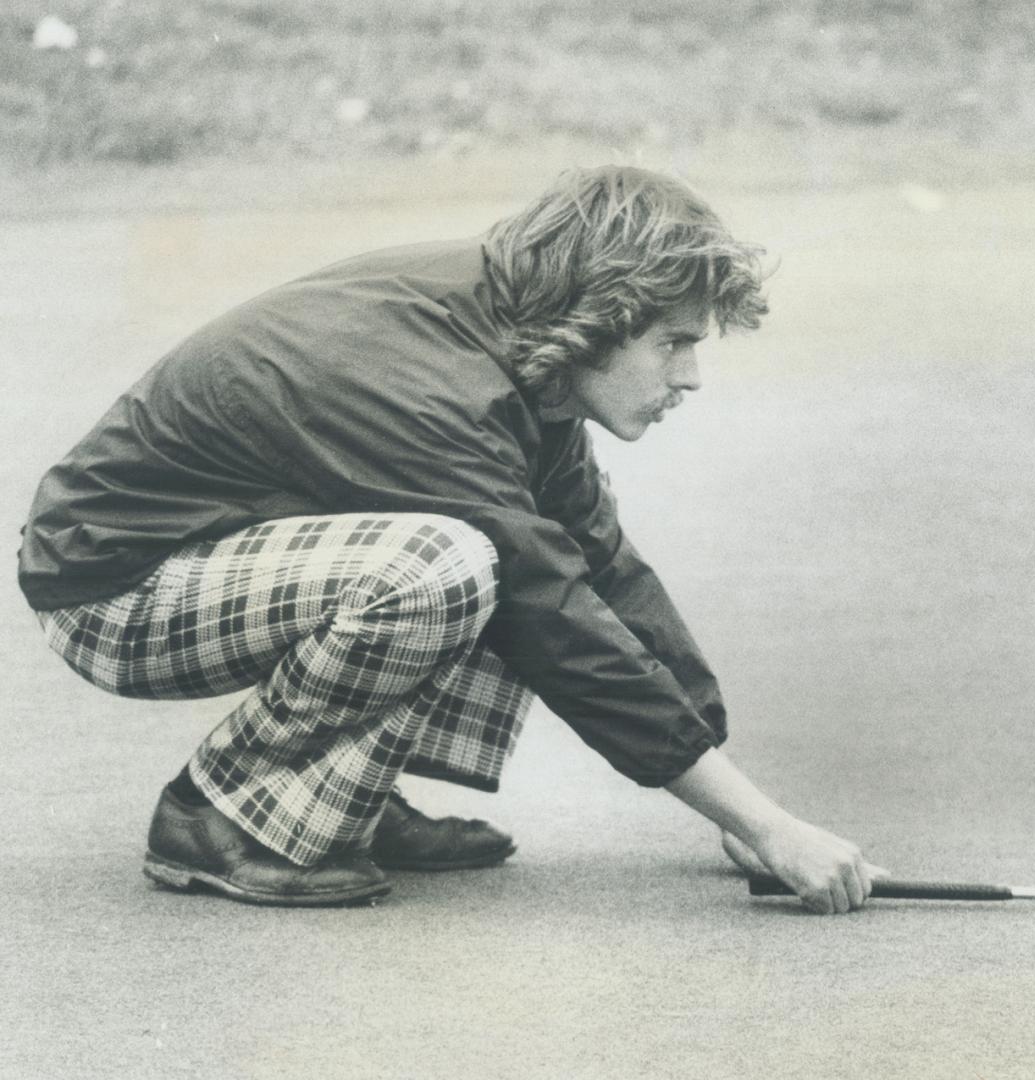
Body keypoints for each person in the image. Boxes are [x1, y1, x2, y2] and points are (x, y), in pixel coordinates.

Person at [17, 165, 884, 913]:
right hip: (113, 589)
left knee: (515, 551)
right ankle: (218, 816)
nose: (691, 376)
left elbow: (598, 567)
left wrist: (743, 807)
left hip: (217, 555)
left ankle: (332, 793)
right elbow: (552, 613)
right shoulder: (435, 390)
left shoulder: (519, 341)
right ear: (602, 315)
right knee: (448, 566)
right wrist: (762, 825)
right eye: (674, 344)